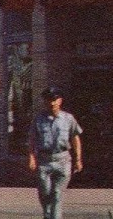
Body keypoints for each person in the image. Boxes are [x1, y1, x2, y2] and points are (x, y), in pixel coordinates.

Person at [28, 87, 82, 219]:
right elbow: (32, 140)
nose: (51, 103)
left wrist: (78, 159)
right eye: (48, 100)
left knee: (57, 194)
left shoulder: (68, 119)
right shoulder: (39, 119)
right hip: (44, 161)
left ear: (60, 100)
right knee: (45, 194)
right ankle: (48, 215)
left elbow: (75, 138)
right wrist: (31, 158)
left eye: (54, 100)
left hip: (63, 160)